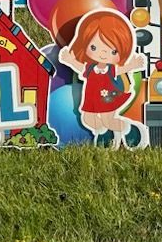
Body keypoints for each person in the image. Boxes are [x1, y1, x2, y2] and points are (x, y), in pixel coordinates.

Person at [58, 10, 145, 149]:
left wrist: (132, 65)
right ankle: (105, 133)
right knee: (87, 118)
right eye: (94, 47)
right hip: (92, 98)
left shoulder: (110, 69)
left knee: (107, 120)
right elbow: (80, 68)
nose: (103, 53)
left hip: (108, 98)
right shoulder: (91, 68)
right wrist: (70, 60)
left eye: (113, 51)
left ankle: (130, 131)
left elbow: (120, 70)